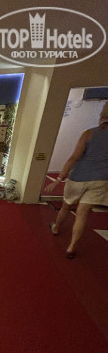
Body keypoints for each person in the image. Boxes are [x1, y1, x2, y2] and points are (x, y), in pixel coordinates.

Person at [45, 101, 108, 258]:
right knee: (83, 213)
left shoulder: (89, 134)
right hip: (101, 180)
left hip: (79, 177)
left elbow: (74, 158)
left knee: (66, 206)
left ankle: (56, 227)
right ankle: (72, 247)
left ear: (102, 114)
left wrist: (58, 179)